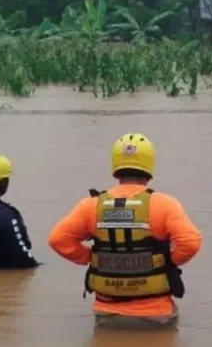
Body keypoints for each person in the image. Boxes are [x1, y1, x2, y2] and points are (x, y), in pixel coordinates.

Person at [48, 133, 202, 327]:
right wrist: (170, 261)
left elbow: (58, 240)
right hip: (156, 315)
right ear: (149, 165)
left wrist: (89, 257)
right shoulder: (164, 204)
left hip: (106, 315)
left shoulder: (91, 205)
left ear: (116, 166)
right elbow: (190, 243)